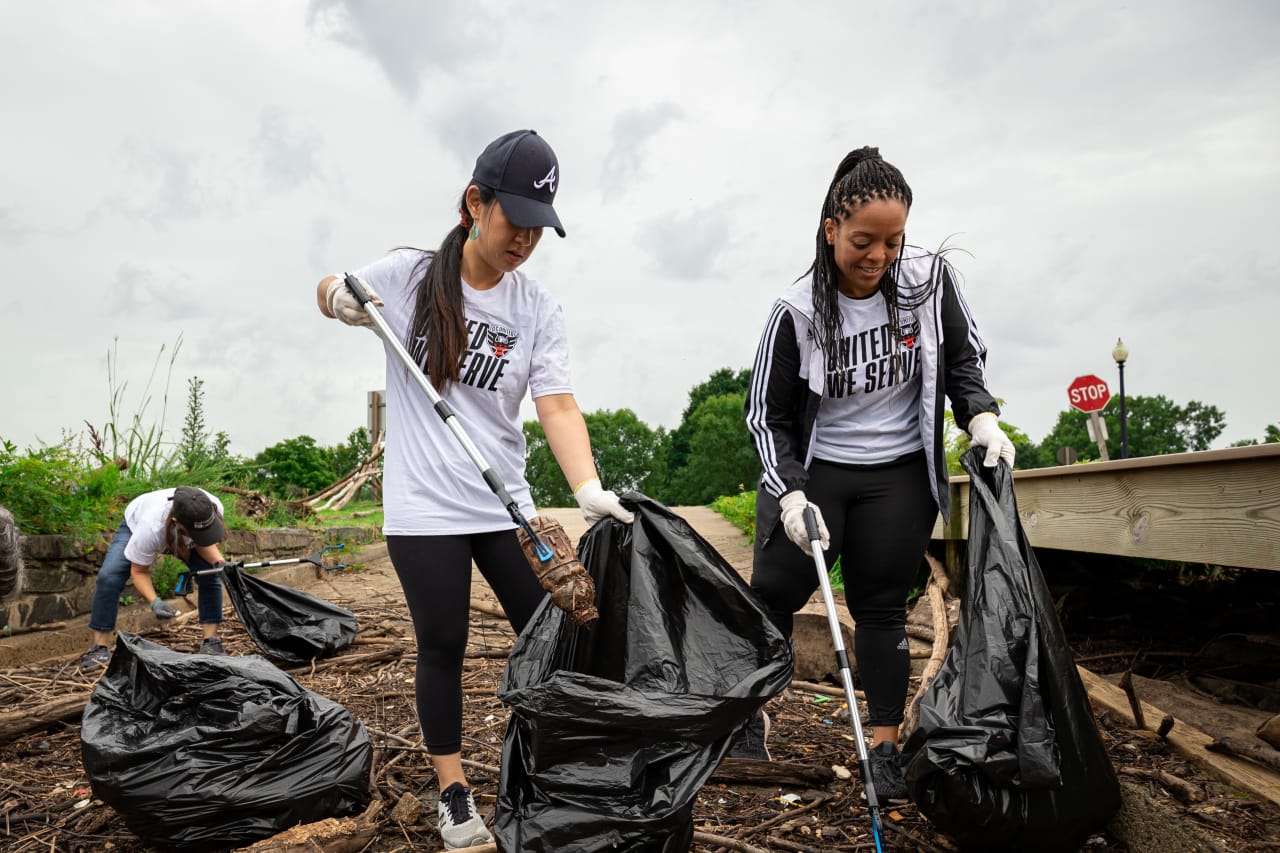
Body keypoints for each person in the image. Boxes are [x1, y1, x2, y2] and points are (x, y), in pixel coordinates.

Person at [316, 129, 634, 850]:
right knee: (444, 642)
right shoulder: (408, 275)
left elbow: (556, 403)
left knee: (550, 636)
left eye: (538, 226)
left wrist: (585, 486)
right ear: (474, 203)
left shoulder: (536, 308)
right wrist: (339, 298)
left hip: (503, 501)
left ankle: (560, 767)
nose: (525, 237)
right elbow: (331, 286)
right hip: (424, 506)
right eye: (514, 219)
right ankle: (455, 793)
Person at [741, 146, 1015, 801]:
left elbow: (963, 365)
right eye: (863, 241)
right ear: (831, 228)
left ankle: (886, 748)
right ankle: (747, 718)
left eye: (893, 241)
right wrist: (791, 492)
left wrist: (981, 418)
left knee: (881, 608)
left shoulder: (928, 281)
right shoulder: (798, 308)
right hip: (818, 470)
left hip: (897, 471)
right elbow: (766, 414)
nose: (878, 256)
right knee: (774, 588)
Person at [80, 486, 229, 669]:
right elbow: (139, 571)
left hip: (180, 525)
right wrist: (155, 602)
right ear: (177, 523)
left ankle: (211, 642)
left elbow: (203, 541)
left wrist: (220, 564)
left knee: (210, 573)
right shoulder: (150, 528)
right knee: (109, 577)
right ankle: (99, 648)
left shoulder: (211, 507)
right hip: (136, 521)